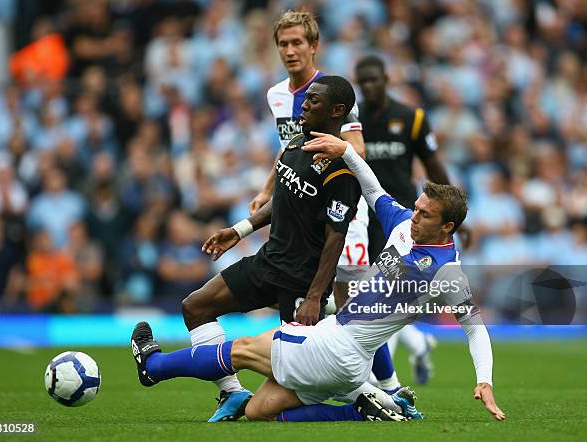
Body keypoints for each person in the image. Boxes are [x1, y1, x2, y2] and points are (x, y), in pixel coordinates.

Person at [130, 136, 505, 423]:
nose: (415, 215)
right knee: (259, 410)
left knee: (243, 349)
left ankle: (154, 367)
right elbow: (374, 190)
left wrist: (484, 379)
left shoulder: (448, 273)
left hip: (338, 347)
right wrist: (346, 150)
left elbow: (475, 329)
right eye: (418, 208)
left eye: (425, 214)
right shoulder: (405, 226)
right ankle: (360, 410)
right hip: (347, 359)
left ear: (448, 227)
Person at [172, 75, 362, 422]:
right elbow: (281, 201)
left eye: (313, 102)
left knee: (282, 395)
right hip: (267, 262)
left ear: (336, 111)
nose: (303, 105)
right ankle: (230, 392)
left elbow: (336, 238)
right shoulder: (294, 143)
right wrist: (239, 230)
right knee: (195, 307)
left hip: (301, 282)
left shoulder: (341, 169)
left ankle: (368, 401)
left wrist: (315, 296)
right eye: (304, 99)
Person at [252, 8, 403, 397]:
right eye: (283, 44)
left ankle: (390, 386)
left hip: (341, 211)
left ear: (313, 46)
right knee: (315, 297)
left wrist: (331, 155)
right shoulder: (276, 95)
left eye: (297, 42)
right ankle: (347, 382)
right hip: (302, 210)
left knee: (351, 299)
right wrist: (268, 189)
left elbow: (356, 148)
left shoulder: (333, 92)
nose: (289, 51)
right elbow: (288, 146)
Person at [354, 55, 459, 384]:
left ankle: (385, 380)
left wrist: (456, 214)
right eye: (363, 81)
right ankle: (418, 343)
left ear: (386, 78)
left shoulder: (411, 118)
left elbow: (432, 165)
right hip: (364, 215)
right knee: (375, 291)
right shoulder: (352, 121)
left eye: (374, 79)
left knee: (390, 292)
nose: (369, 87)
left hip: (406, 220)